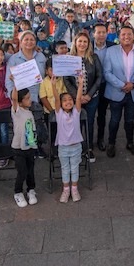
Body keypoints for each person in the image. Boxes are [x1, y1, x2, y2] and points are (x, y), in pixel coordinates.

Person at [103, 26, 134, 158]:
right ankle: (111, 143)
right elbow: (107, 73)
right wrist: (122, 85)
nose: (126, 37)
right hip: (116, 91)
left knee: (130, 121)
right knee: (114, 120)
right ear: (119, 37)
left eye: (129, 34)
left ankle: (130, 142)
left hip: (133, 92)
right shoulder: (110, 51)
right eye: (123, 35)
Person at [5, 31, 48, 157]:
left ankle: (38, 147)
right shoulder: (14, 59)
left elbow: (45, 76)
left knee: (38, 124)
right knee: (24, 126)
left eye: (32, 39)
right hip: (21, 100)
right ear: (21, 42)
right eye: (26, 39)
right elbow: (9, 80)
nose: (29, 42)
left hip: (38, 97)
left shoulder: (41, 57)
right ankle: (25, 148)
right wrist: (14, 100)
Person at [63, 32, 102, 163]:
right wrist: (77, 96)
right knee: (76, 123)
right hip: (75, 99)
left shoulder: (93, 57)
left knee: (89, 122)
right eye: (80, 41)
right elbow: (66, 79)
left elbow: (99, 77)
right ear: (75, 42)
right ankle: (78, 148)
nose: (82, 44)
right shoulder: (69, 58)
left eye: (85, 42)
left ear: (88, 44)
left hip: (92, 97)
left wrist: (89, 95)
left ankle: (89, 148)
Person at [51, 74, 85, 203]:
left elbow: (78, 99)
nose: (68, 102)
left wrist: (80, 84)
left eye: (70, 99)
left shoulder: (76, 112)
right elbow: (56, 99)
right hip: (63, 147)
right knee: (65, 169)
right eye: (64, 100)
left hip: (76, 147)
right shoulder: (59, 113)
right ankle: (66, 190)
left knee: (75, 168)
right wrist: (53, 86)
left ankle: (74, 189)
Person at [11, 86, 39, 208]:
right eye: (27, 98)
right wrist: (16, 83)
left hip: (30, 147)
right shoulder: (16, 111)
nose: (30, 100)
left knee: (30, 170)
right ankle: (18, 192)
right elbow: (14, 98)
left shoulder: (29, 111)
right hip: (18, 148)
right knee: (22, 171)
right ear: (20, 101)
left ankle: (31, 189)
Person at [91, 23, 116, 152]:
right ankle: (87, 141)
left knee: (102, 114)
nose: (101, 35)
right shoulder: (87, 45)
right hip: (90, 86)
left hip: (106, 85)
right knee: (89, 115)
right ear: (93, 34)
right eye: (98, 32)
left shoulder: (113, 46)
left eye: (103, 32)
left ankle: (100, 139)